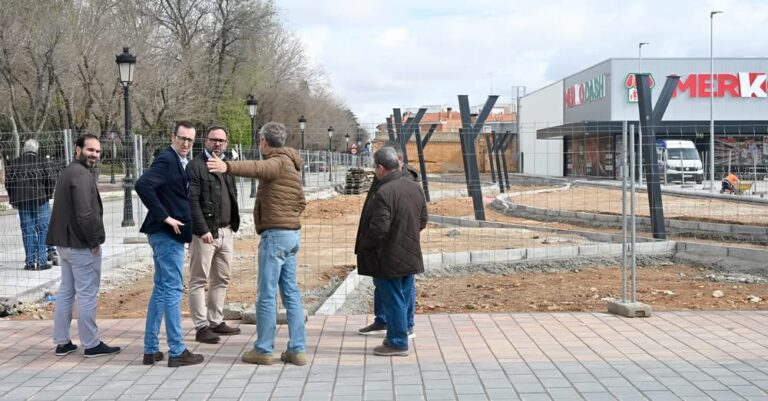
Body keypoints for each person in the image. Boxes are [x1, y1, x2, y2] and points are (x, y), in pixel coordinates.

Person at [207, 122, 307, 366]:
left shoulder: (278, 161)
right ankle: (297, 349)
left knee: (266, 295)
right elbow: (302, 202)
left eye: (260, 141)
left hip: (275, 236)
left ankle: (263, 349)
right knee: (291, 293)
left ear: (264, 142)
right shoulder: (292, 165)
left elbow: (257, 167)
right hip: (292, 235)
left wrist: (226, 166)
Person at [135, 121, 204, 368]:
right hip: (165, 235)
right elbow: (142, 185)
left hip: (166, 235)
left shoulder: (178, 161)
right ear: (172, 137)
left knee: (161, 289)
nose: (186, 143)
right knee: (173, 290)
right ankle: (177, 350)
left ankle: (151, 350)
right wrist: (165, 216)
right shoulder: (166, 159)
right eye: (182, 138)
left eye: (190, 140)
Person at [46, 134, 121, 358]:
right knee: (87, 294)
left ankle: (62, 342)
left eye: (98, 151)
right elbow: (84, 213)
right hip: (80, 246)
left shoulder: (69, 171)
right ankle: (91, 343)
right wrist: (93, 241)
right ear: (77, 149)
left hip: (65, 244)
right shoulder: (80, 174)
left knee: (66, 292)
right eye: (90, 150)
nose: (95, 155)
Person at [355, 146, 428, 357]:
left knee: (393, 299)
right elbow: (422, 220)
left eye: (374, 168)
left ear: (380, 167)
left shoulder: (384, 192)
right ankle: (402, 332)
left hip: (387, 255)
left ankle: (397, 342)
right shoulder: (415, 187)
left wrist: (365, 244)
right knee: (403, 296)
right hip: (410, 252)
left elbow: (379, 228)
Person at [187, 125, 241, 344]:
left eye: (221, 140)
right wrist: (202, 230)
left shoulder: (225, 166)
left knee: (222, 278)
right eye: (213, 140)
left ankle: (215, 321)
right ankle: (201, 327)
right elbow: (192, 200)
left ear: (226, 143)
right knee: (199, 280)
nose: (217, 143)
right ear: (205, 141)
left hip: (226, 231)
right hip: (205, 234)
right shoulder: (195, 166)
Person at [5, 139, 57, 270]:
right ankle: (42, 260)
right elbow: (51, 180)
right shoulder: (43, 161)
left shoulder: (15, 163)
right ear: (36, 150)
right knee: (42, 229)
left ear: (24, 149)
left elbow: (8, 183)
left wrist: (13, 199)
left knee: (27, 231)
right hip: (41, 199)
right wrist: (48, 194)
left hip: (22, 201)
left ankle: (30, 262)